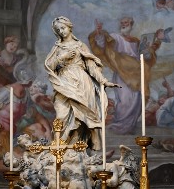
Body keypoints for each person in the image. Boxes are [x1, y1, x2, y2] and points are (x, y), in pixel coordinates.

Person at [45, 16, 119, 150]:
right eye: (58, 30)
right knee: (61, 115)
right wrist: (62, 57)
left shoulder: (80, 46)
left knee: (81, 119)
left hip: (82, 83)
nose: (61, 31)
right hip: (64, 83)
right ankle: (60, 151)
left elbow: (91, 66)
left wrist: (104, 81)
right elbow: (49, 65)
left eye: (63, 28)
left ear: (69, 27)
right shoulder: (57, 47)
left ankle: (76, 151)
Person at [88, 16, 162, 134]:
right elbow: (104, 45)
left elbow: (146, 57)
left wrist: (156, 41)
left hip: (137, 75)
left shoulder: (137, 41)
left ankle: (129, 126)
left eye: (126, 23)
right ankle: (120, 125)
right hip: (123, 74)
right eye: (122, 23)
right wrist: (99, 34)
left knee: (137, 101)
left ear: (131, 24)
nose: (123, 24)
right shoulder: (116, 38)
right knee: (124, 100)